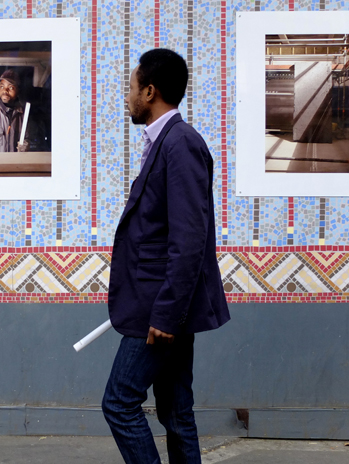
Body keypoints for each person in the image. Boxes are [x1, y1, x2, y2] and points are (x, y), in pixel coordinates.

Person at [102, 48, 231, 464]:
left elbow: (190, 238)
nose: (127, 96)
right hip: (164, 303)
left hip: (160, 308)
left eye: (131, 87)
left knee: (119, 402)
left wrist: (167, 314)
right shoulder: (166, 141)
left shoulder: (181, 144)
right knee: (176, 412)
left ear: (150, 92)